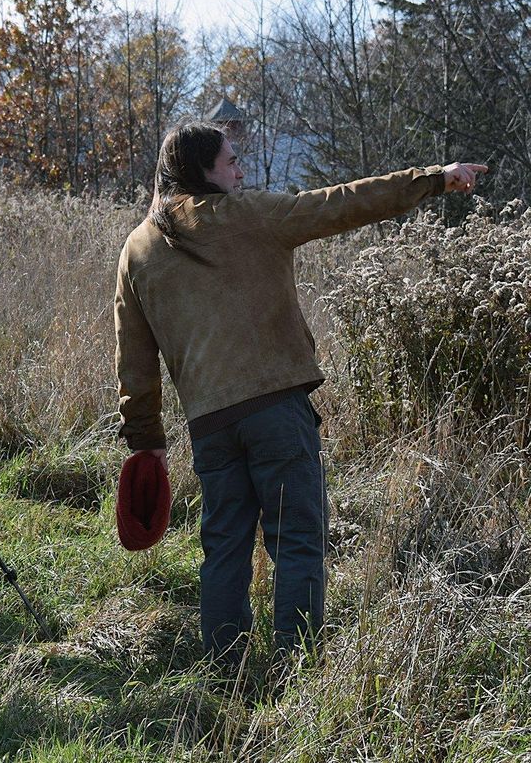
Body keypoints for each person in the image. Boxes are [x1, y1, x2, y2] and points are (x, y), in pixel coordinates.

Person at [114, 121, 486, 670]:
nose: (240, 171)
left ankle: (226, 671)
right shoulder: (253, 214)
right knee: (298, 542)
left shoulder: (137, 250)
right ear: (201, 170)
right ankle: (296, 675)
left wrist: (146, 439)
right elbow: (343, 203)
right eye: (231, 161)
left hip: (209, 425)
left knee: (224, 548)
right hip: (277, 411)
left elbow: (133, 358)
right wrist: (433, 179)